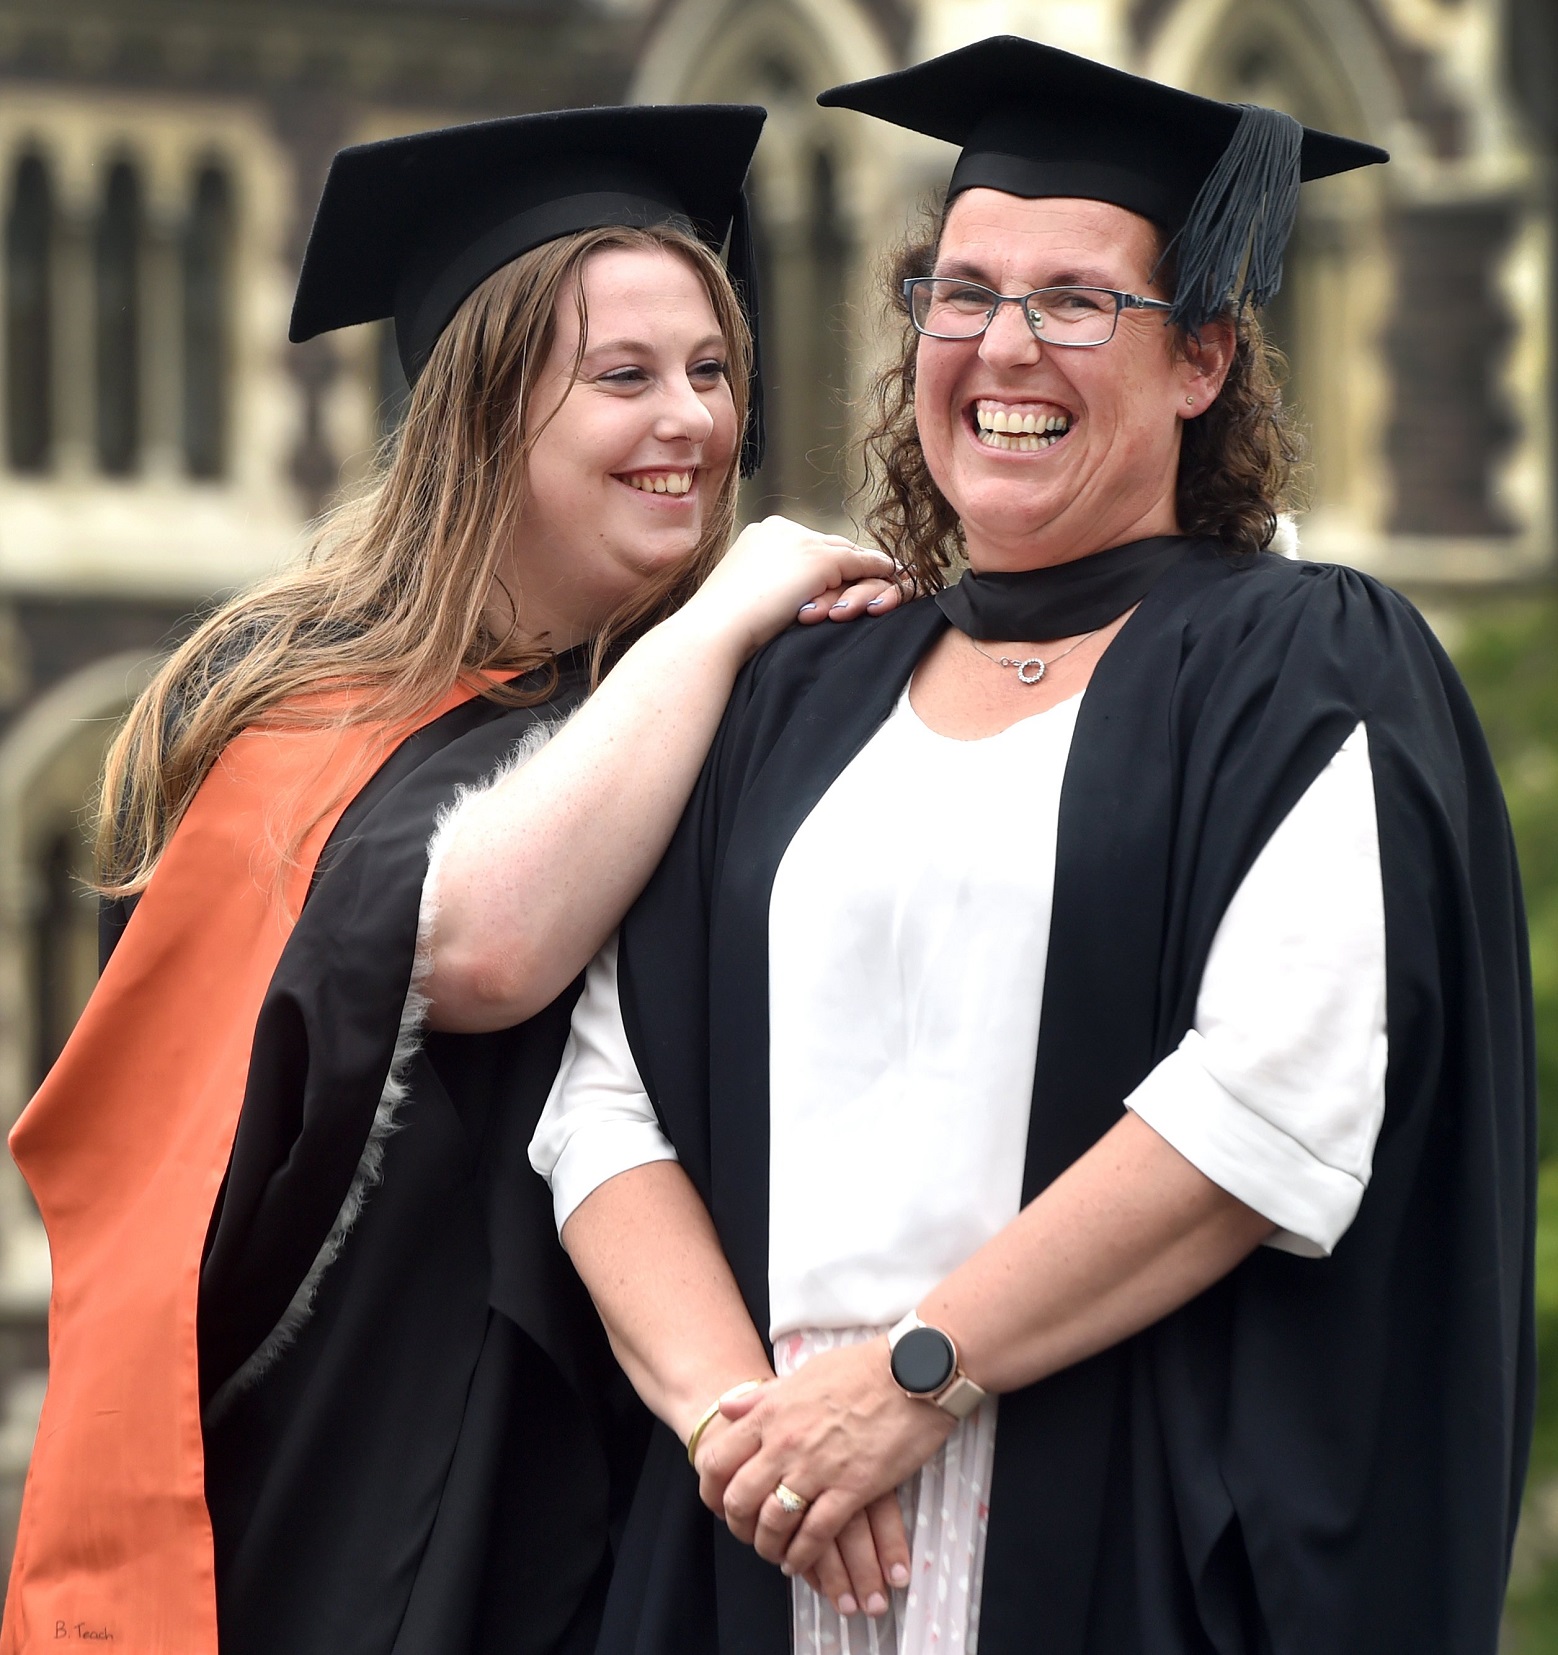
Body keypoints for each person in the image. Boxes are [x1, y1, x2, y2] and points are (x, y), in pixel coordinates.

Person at [529, 38, 1535, 1655]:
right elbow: (601, 1088)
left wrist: (910, 1381)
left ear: (1201, 360)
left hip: (1103, 1527)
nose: (1002, 345)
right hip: (770, 1535)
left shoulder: (1299, 661)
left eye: (1076, 301)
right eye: (958, 289)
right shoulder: (795, 686)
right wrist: (754, 1429)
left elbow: (1271, 1098)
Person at [0, 105, 903, 1655]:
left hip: (672, 1469)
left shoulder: (711, 697)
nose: (686, 422)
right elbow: (472, 941)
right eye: (620, 378)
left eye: (708, 372)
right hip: (351, 1488)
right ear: (482, 414)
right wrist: (724, 610)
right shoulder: (292, 709)